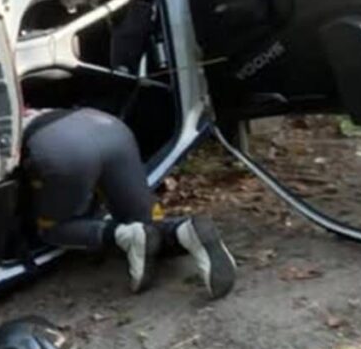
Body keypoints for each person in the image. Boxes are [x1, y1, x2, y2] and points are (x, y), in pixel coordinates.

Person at [21, 107, 237, 299]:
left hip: (59, 147)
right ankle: (185, 230)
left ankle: (126, 236)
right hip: (107, 125)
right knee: (146, 224)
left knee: (53, 229)